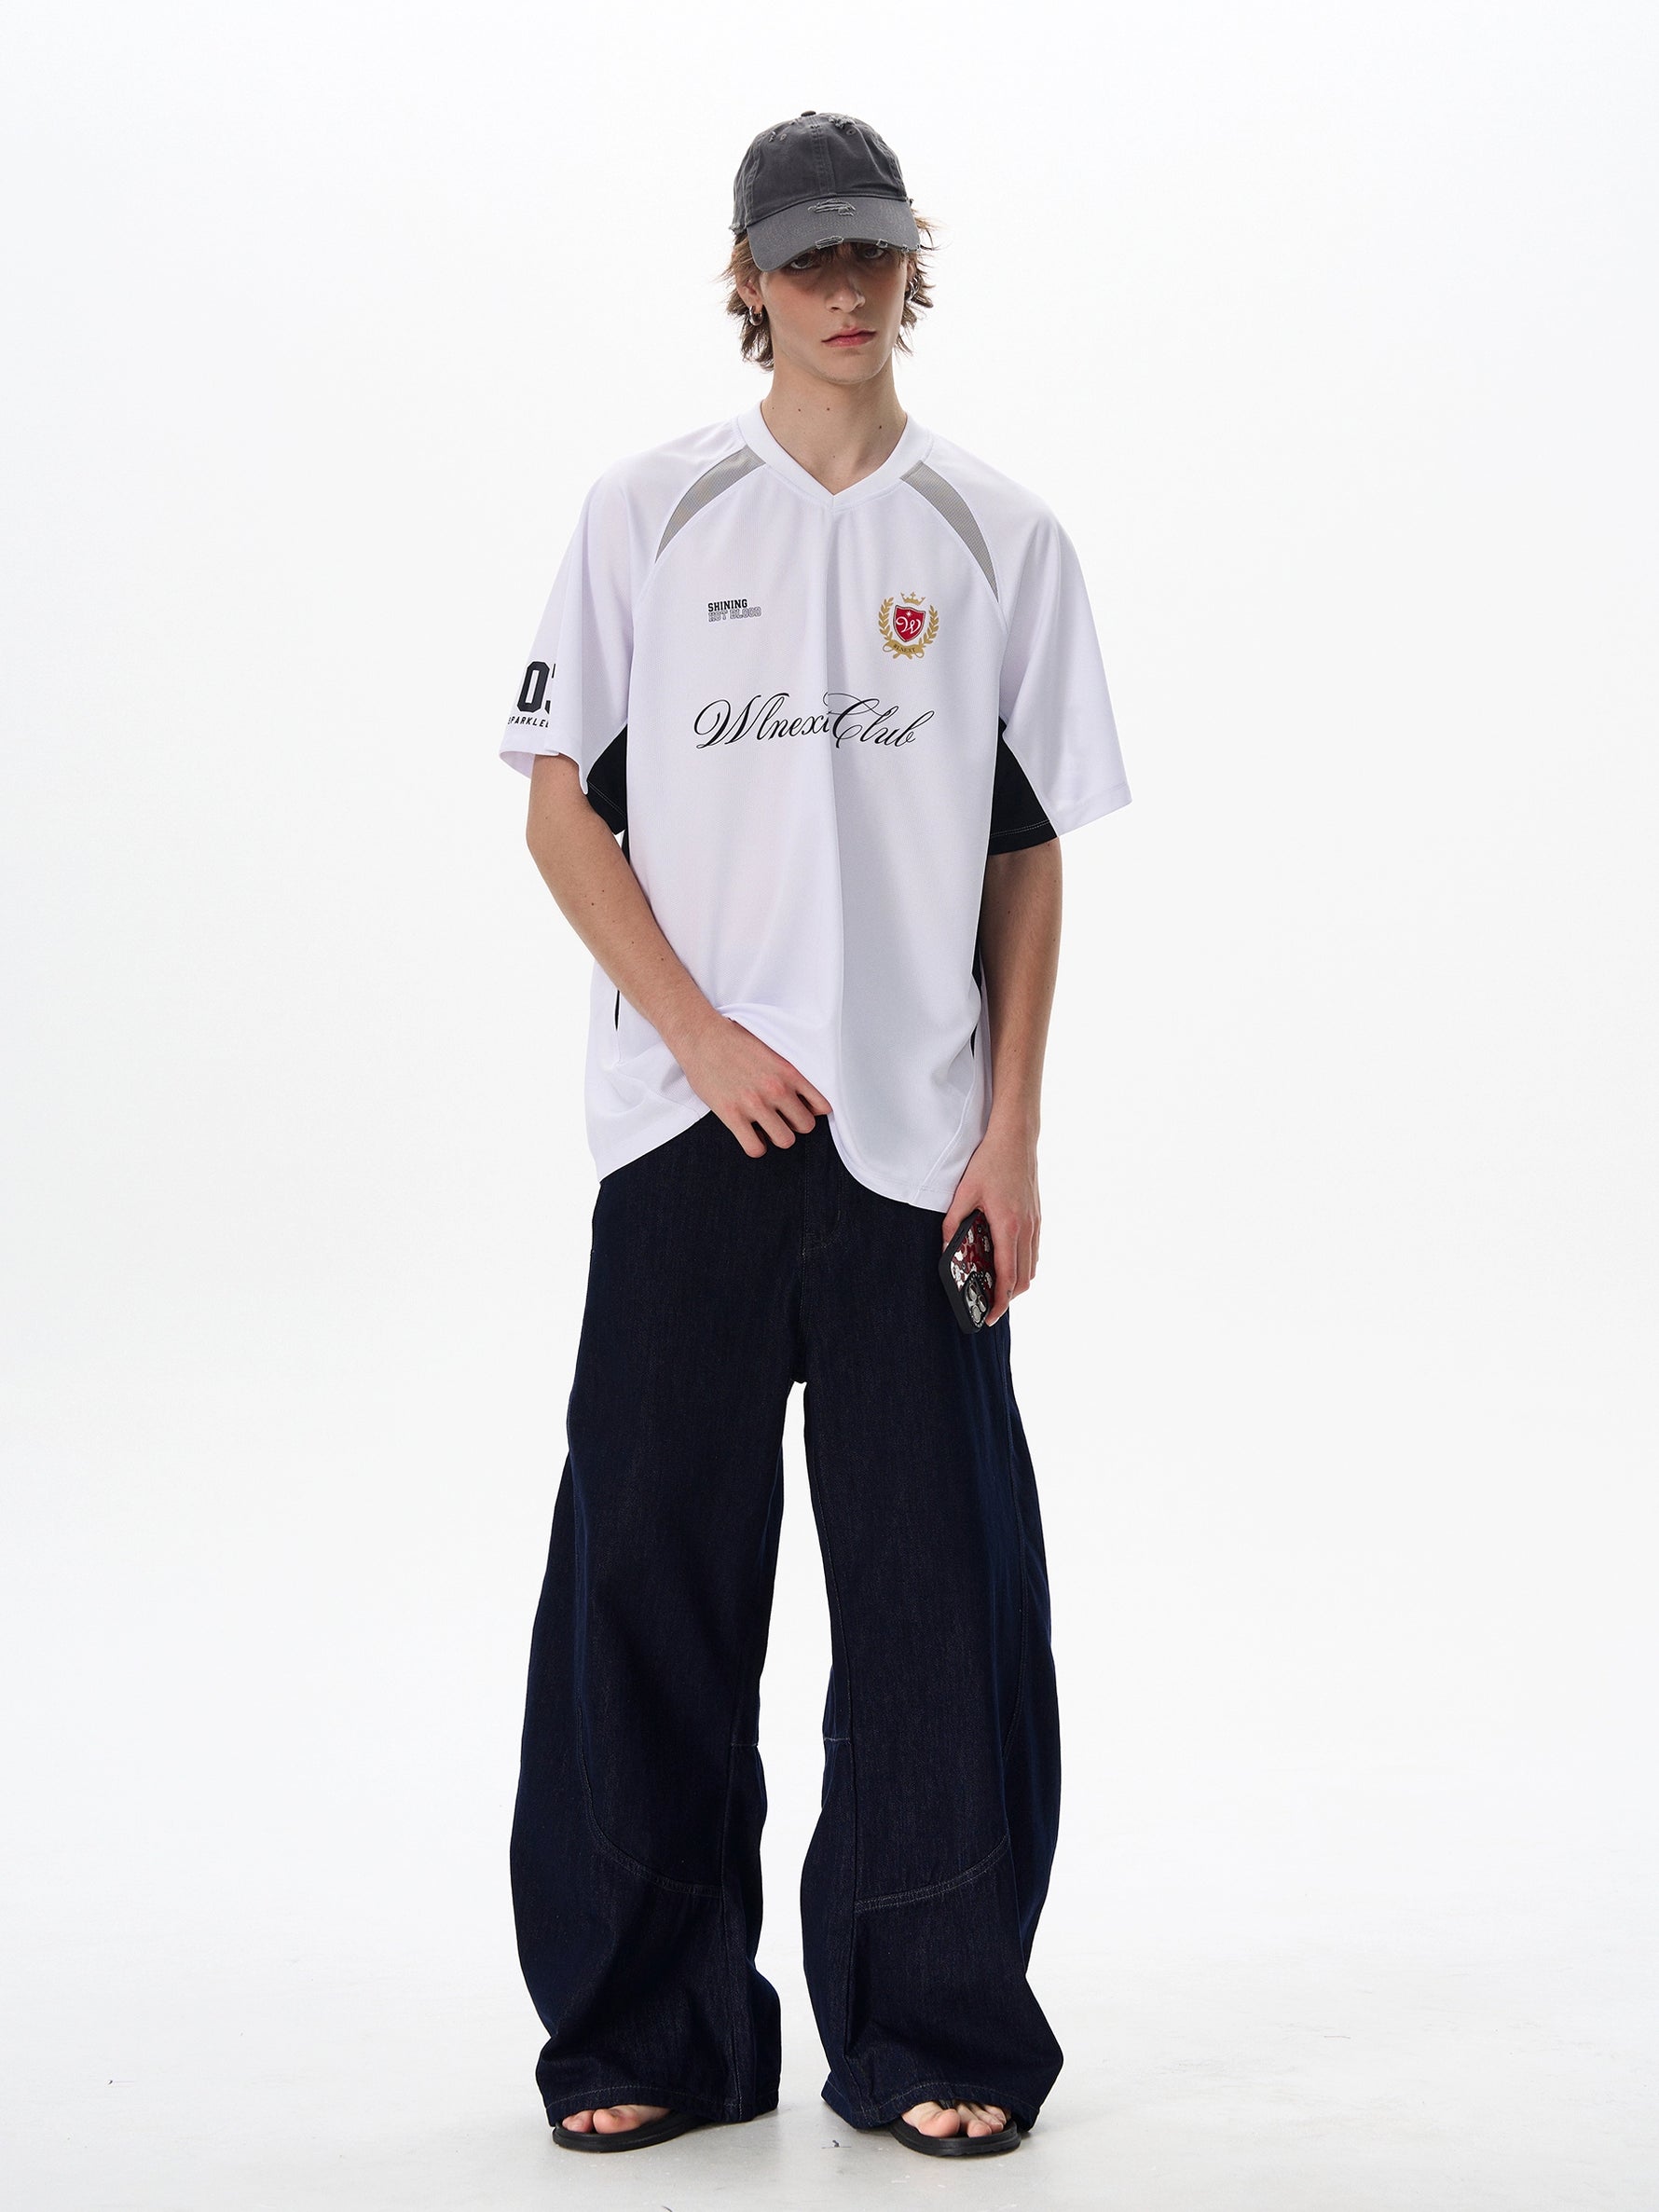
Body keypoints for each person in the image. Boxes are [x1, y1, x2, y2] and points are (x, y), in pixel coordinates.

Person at [500, 109, 1131, 2164]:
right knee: (646, 1575)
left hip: (913, 1148)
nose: (844, 290)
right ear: (747, 279)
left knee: (942, 1593)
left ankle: (934, 2019)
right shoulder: (650, 513)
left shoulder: (997, 534)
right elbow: (557, 814)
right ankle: (646, 2027)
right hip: (684, 1141)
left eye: (872, 253)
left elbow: (1025, 859)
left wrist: (1011, 1135)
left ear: (912, 265)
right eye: (806, 259)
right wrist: (700, 1041)